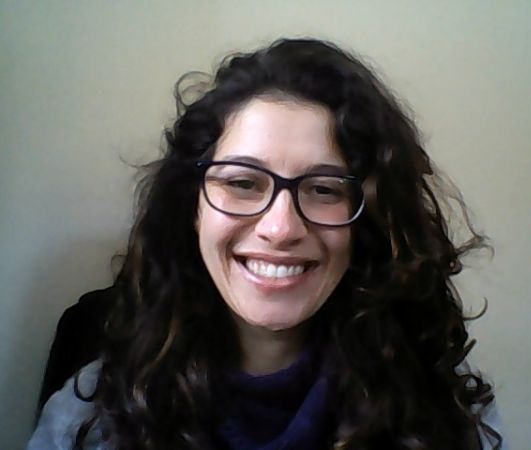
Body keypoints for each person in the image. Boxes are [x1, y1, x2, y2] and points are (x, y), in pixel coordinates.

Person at [28, 38, 503, 450]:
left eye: (324, 189)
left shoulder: (445, 413)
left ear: (369, 221)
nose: (280, 228)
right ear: (192, 207)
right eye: (242, 183)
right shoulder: (88, 418)